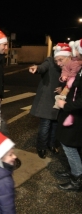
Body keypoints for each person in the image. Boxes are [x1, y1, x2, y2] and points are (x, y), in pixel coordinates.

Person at [55, 38, 82, 191]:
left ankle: (77, 178)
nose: (74, 52)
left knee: (69, 144)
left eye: (77, 50)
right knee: (69, 143)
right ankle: (73, 170)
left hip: (76, 114)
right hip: (73, 112)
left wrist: (65, 104)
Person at [28, 49, 62, 158]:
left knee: (55, 125)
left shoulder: (67, 64)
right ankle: (41, 147)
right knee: (45, 125)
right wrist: (37, 68)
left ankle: (51, 145)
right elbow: (43, 67)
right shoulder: (50, 61)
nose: (59, 61)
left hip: (59, 99)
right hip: (47, 99)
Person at [53, 43, 82, 126]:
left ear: (69, 57)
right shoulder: (65, 71)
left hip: (76, 116)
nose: (58, 64)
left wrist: (66, 105)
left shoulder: (77, 71)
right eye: (56, 61)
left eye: (61, 60)